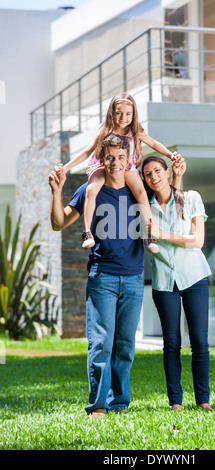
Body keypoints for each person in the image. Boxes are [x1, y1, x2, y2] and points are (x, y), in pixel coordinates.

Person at [49, 134, 146, 416]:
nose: (115, 164)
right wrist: (57, 191)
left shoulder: (136, 188)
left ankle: (120, 403)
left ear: (129, 159)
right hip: (102, 276)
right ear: (101, 160)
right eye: (109, 158)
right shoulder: (90, 188)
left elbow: (164, 194)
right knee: (102, 343)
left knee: (125, 345)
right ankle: (98, 406)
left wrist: (176, 175)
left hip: (133, 278)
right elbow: (58, 223)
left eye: (120, 158)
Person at [57, 92, 182, 252]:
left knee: (141, 193)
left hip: (127, 167)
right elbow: (87, 151)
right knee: (90, 190)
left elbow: (153, 143)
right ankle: (87, 232)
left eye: (128, 114)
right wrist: (66, 168)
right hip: (104, 166)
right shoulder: (105, 130)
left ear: (133, 114)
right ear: (112, 113)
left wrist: (170, 155)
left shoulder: (135, 130)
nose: (124, 117)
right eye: (119, 113)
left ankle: (149, 234)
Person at [142, 155, 213, 412]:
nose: (154, 177)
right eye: (148, 174)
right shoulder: (145, 208)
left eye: (157, 170)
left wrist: (163, 235)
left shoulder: (191, 198)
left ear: (167, 171)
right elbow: (149, 245)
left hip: (193, 276)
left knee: (199, 342)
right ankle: (176, 402)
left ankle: (203, 401)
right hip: (164, 282)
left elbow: (197, 241)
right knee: (171, 344)